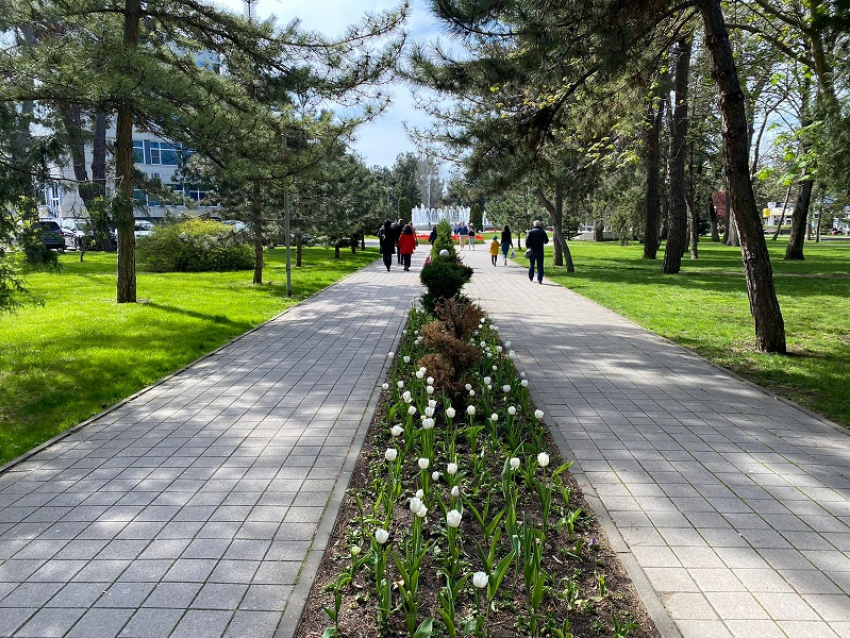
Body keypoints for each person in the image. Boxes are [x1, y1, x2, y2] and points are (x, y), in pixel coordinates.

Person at [525, 220, 549, 284]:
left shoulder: (530, 232)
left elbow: (527, 241)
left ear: (534, 225)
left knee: (532, 264)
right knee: (540, 265)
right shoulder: (542, 232)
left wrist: (528, 247)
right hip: (540, 251)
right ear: (539, 225)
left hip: (532, 251)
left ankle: (531, 276)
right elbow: (546, 240)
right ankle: (540, 279)